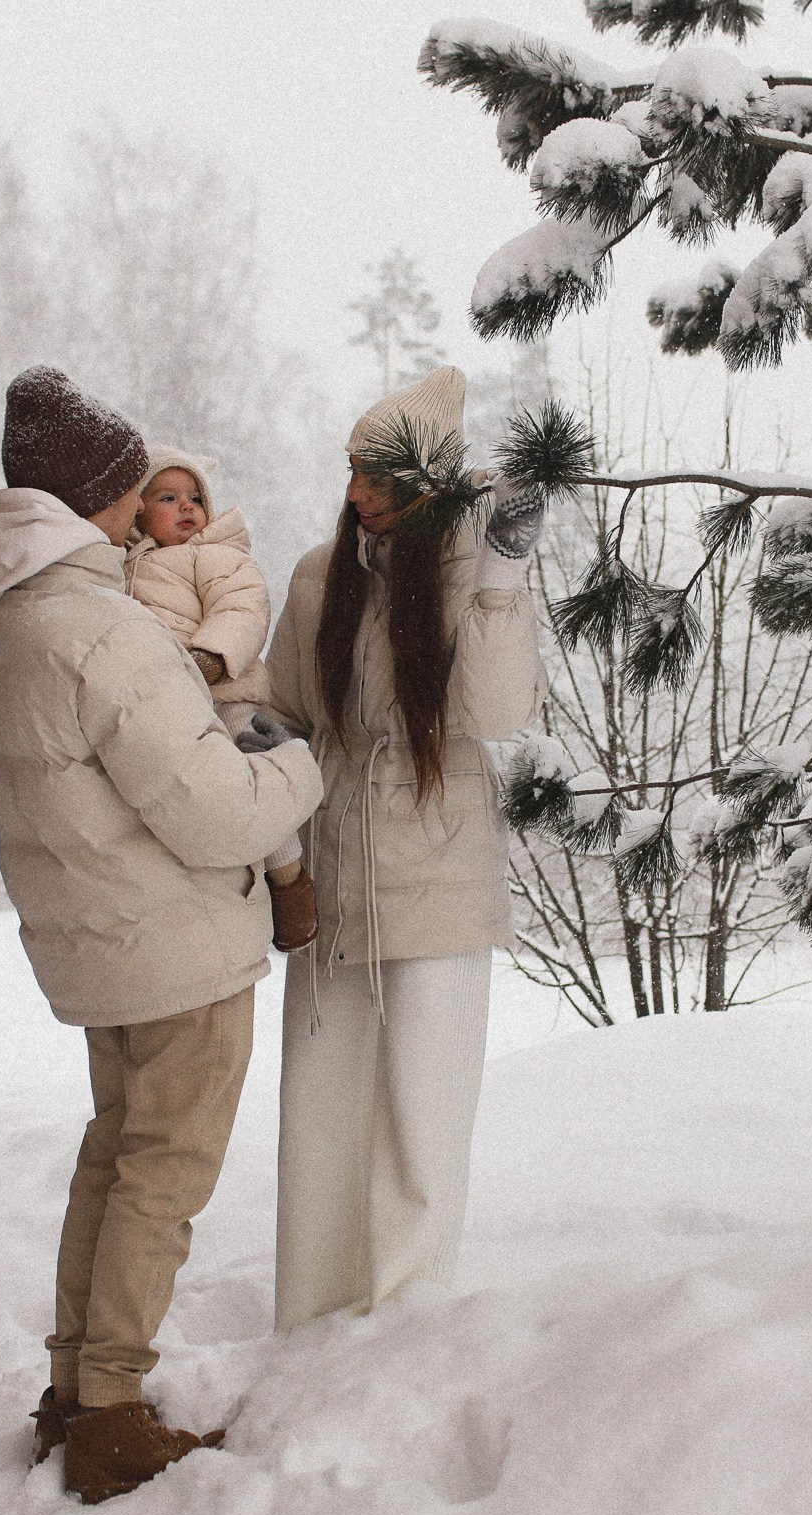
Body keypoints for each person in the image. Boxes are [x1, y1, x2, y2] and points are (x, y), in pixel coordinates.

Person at [0, 366, 323, 1503]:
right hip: (174, 950)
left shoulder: (25, 617)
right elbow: (214, 807)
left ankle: (75, 1392)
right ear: (91, 502)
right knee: (158, 1181)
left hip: (103, 945)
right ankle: (113, 1415)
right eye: (128, 492)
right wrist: (304, 763)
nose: (139, 511)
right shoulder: (103, 629)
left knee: (112, 1163)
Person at [262, 365, 547, 1332]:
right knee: (322, 1117)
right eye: (351, 473)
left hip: (441, 879)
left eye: (377, 480)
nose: (355, 496)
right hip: (335, 878)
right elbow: (286, 707)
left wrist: (504, 579)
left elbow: (498, 714)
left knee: (423, 1116)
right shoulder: (316, 577)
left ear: (428, 487)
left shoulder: (474, 573)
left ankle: (407, 1324)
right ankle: (311, 1322)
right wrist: (244, 726)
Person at [123, 447, 317, 951]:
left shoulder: (216, 553)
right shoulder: (119, 569)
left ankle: (288, 876)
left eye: (195, 498)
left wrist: (212, 655)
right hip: (164, 701)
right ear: (138, 508)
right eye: (169, 497)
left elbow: (243, 607)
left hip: (225, 692)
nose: (188, 507)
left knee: (246, 774)